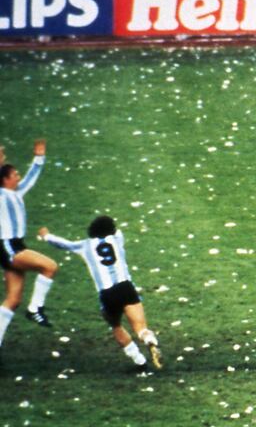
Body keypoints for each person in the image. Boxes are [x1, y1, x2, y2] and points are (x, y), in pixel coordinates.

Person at [38, 217, 161, 370]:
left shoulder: (85, 245)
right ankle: (148, 339)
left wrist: (46, 236)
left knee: (115, 325)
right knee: (140, 327)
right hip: (126, 288)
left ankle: (139, 361)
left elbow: (63, 244)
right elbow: (115, 230)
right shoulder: (117, 238)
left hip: (107, 294)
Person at [0, 140, 57, 347]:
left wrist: (39, 158)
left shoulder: (15, 192)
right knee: (50, 266)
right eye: (15, 175)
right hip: (9, 246)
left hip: (15, 245)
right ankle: (35, 309)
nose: (19, 177)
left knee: (13, 300)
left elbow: (31, 179)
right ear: (5, 180)